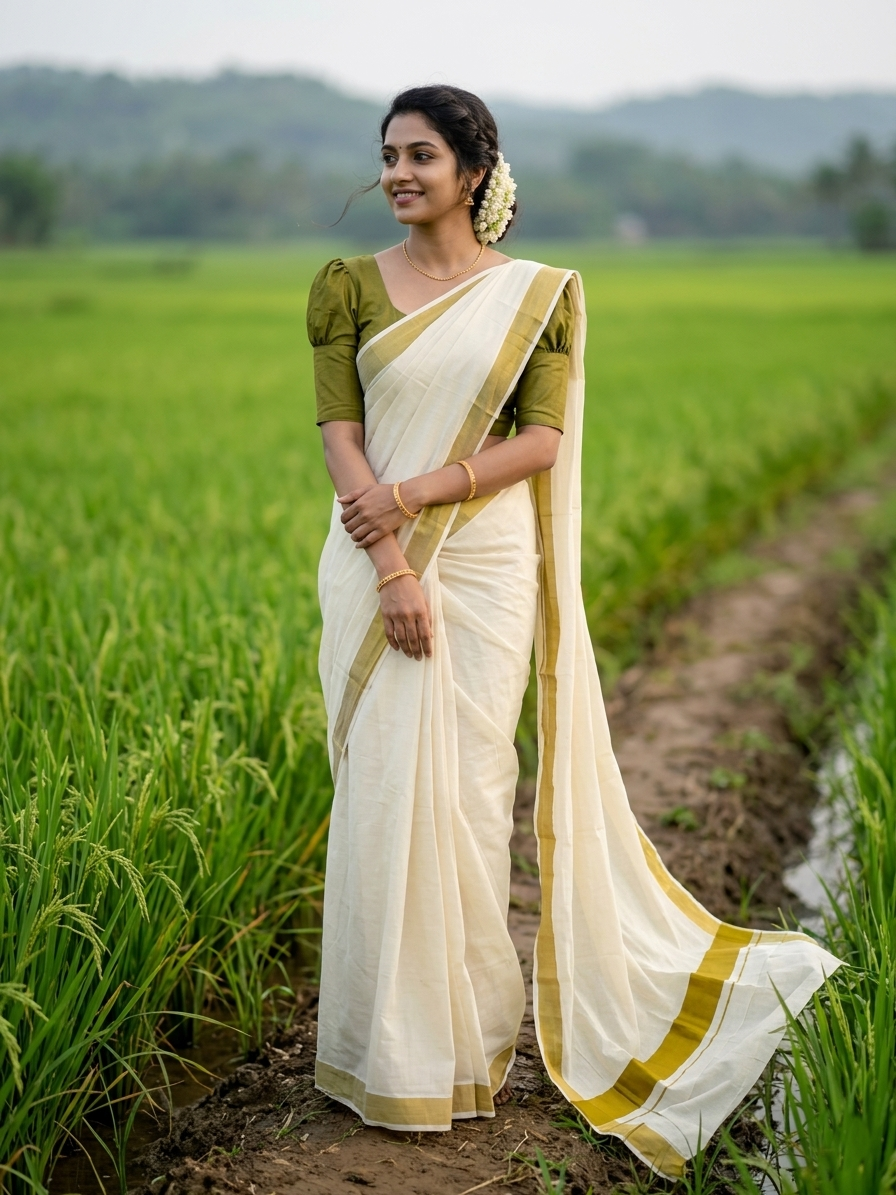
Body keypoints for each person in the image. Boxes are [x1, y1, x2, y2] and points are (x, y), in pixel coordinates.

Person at [306, 84, 838, 1179]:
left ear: (471, 170)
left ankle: (460, 1043)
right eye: (388, 155)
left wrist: (416, 497)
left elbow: (540, 442)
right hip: (372, 565)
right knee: (379, 789)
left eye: (419, 156)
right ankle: (380, 1049)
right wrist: (393, 556)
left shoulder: (536, 296)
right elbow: (338, 434)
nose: (397, 174)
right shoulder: (345, 288)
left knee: (461, 793)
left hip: (487, 563)